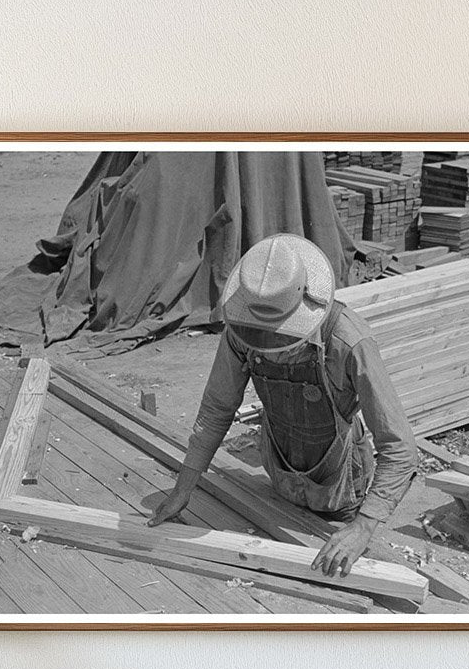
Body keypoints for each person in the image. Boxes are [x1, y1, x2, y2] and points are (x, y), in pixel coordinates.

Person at [149, 233, 417, 579]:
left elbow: (401, 448)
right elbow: (217, 409)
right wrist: (183, 489)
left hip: (340, 491)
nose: (269, 345)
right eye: (263, 334)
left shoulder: (348, 342)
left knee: (332, 579)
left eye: (281, 336)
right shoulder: (243, 332)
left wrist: (362, 529)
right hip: (280, 480)